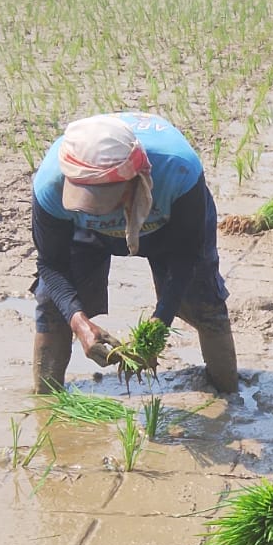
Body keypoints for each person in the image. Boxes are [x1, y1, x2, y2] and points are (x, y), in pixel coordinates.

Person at [29, 112, 238, 393]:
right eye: (88, 200)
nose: (99, 210)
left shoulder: (178, 171)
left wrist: (159, 324)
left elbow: (187, 255)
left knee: (203, 301)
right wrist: (78, 322)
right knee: (54, 307)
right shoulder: (50, 184)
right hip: (85, 232)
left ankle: (228, 394)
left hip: (165, 224)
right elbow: (51, 264)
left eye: (104, 200)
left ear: (134, 178)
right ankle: (46, 402)